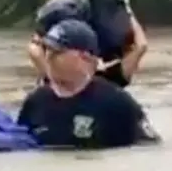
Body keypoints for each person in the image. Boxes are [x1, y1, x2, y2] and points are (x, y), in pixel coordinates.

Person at [18, 19, 160, 149]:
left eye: (57, 52)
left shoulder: (117, 103)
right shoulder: (35, 101)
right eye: (47, 50)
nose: (48, 57)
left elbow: (148, 150)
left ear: (85, 57)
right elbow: (19, 144)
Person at [28, 0, 148, 88]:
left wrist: (42, 31)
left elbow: (34, 50)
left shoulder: (56, 79)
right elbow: (141, 46)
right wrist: (127, 11)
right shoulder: (109, 80)